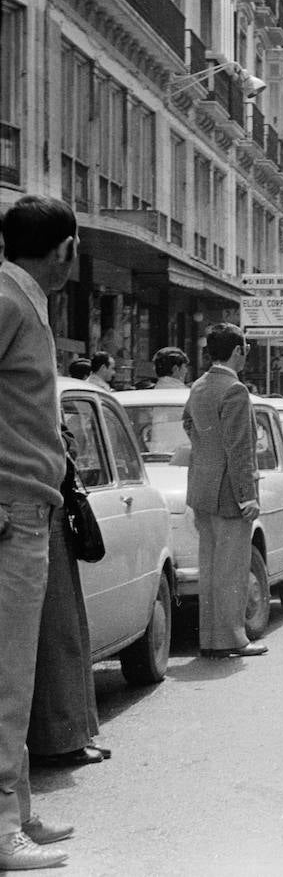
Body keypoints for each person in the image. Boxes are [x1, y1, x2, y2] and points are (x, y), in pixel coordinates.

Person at [0, 195, 78, 870]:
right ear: (63, 251)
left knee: (16, 670)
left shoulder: (23, 298)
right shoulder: (10, 301)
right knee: (6, 673)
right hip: (10, 510)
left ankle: (18, 810)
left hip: (27, 508)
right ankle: (2, 828)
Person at [183, 323, 267, 660]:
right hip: (230, 492)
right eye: (245, 350)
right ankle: (232, 638)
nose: (246, 356)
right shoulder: (235, 390)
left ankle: (211, 638)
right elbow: (240, 448)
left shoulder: (199, 386)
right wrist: (248, 495)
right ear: (237, 351)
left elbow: (189, 425)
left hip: (202, 489)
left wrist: (207, 455)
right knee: (232, 569)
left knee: (211, 568)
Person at [28, 429, 105, 770]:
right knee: (60, 634)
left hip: (40, 515)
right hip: (43, 518)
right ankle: (63, 739)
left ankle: (67, 736)